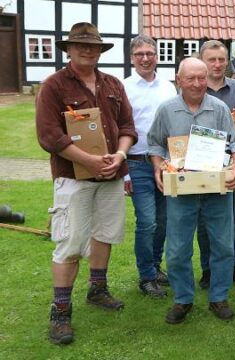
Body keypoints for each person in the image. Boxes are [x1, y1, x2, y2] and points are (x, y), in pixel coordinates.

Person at [36, 22, 136, 344]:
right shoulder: (53, 86)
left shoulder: (112, 84)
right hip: (73, 178)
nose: (87, 50)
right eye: (80, 45)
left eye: (93, 45)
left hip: (111, 175)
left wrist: (119, 157)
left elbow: (127, 127)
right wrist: (89, 160)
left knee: (105, 234)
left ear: (100, 50)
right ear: (68, 49)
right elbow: (50, 135)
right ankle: (61, 313)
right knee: (70, 242)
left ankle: (98, 290)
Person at [148, 57, 235, 323]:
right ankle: (183, 299)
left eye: (202, 78)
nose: (198, 83)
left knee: (223, 246)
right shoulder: (167, 110)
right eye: (191, 78)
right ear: (179, 80)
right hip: (181, 190)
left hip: (217, 189)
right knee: (177, 249)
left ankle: (219, 297)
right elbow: (155, 145)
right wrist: (158, 168)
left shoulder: (220, 108)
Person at [196, 40, 235, 288]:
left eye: (222, 59)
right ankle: (208, 269)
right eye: (212, 59)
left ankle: (232, 265)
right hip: (203, 166)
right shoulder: (194, 89)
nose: (218, 64)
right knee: (204, 219)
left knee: (234, 218)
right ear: (203, 62)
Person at [123, 35, 177, 298]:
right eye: (140, 54)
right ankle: (146, 276)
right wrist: (123, 172)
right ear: (132, 58)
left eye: (150, 53)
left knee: (164, 220)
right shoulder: (123, 88)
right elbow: (116, 130)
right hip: (136, 162)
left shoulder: (168, 87)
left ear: (157, 56)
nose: (145, 58)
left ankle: (156, 267)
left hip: (166, 162)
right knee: (147, 221)